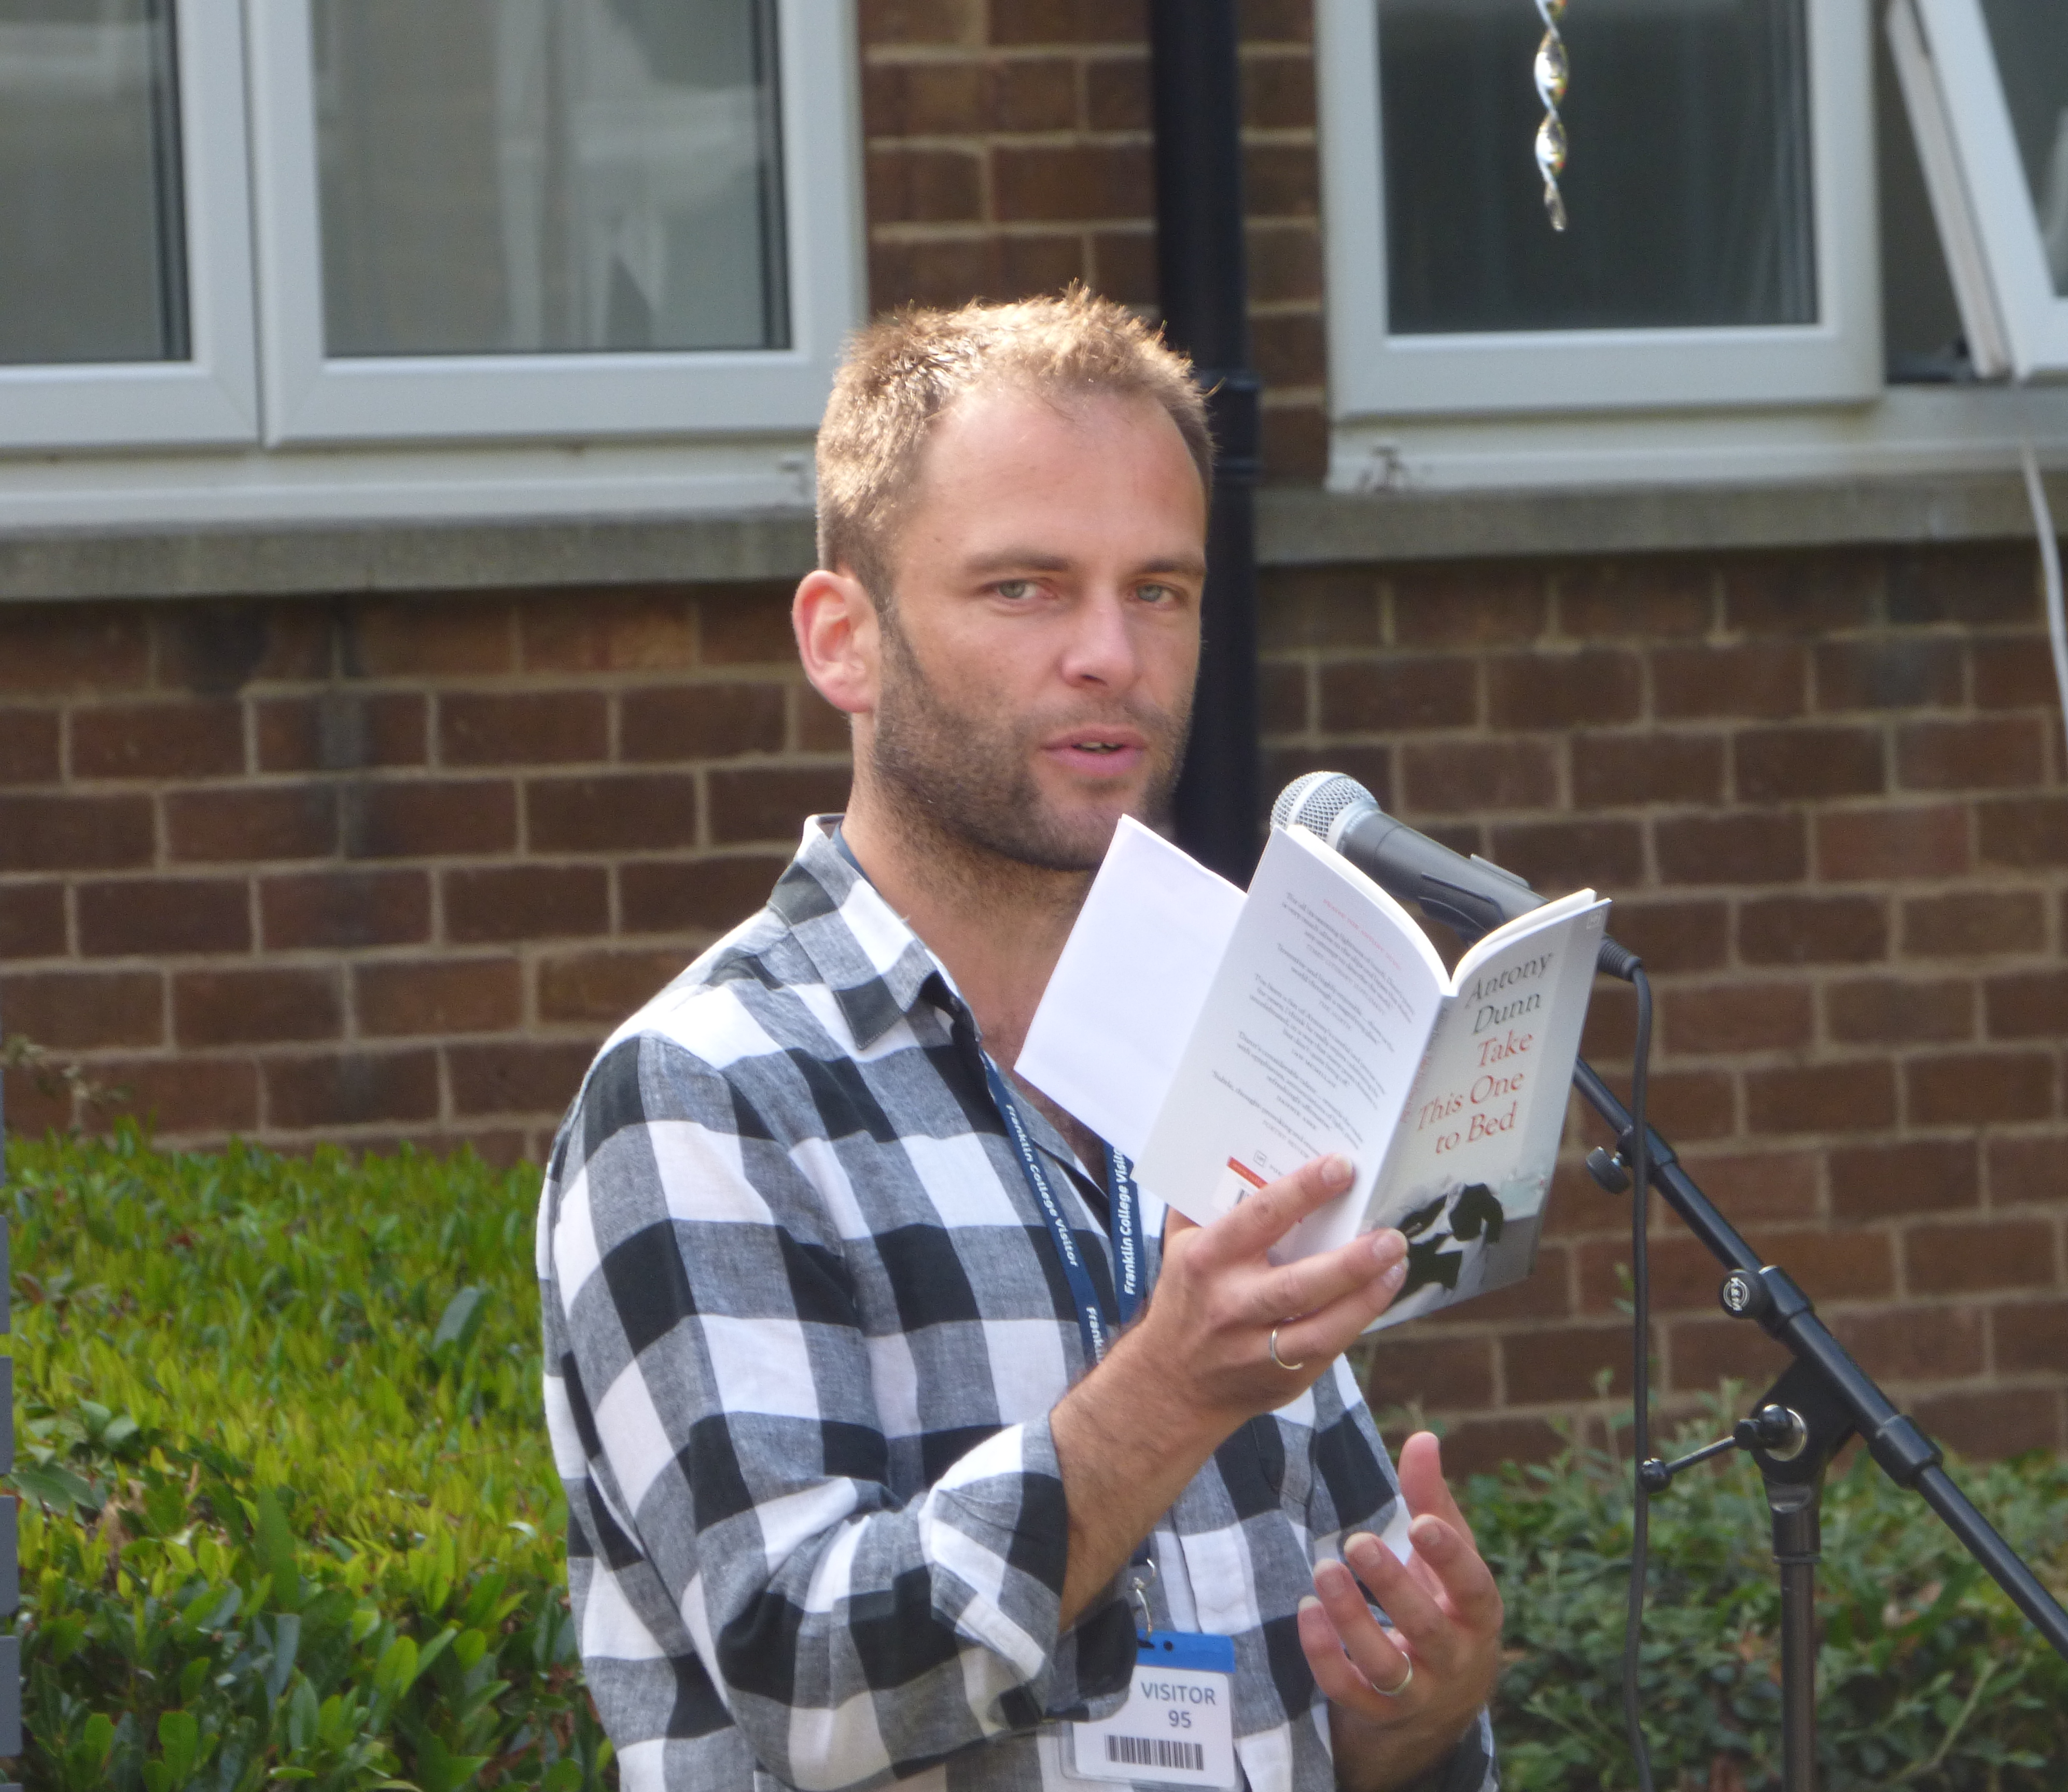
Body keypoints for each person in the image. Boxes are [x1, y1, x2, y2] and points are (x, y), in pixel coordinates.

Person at [537, 289, 1503, 1792]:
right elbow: (811, 1694)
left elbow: (1325, 1691)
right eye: (1026, 589)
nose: (1111, 655)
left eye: (1161, 590)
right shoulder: (706, 1094)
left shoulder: (1227, 1037)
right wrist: (1164, 1394)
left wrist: (1413, 1712)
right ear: (841, 640)